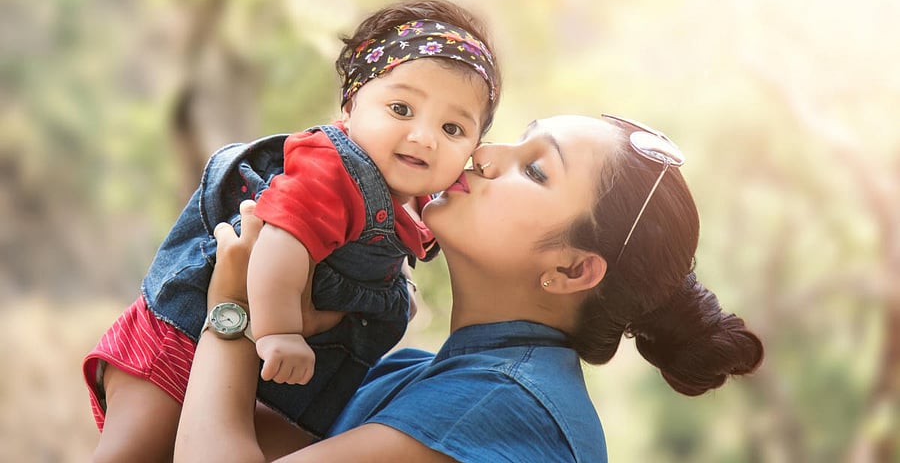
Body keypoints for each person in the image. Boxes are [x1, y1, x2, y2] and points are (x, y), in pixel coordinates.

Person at [174, 114, 765, 462]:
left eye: (535, 170)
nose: (482, 153)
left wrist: (232, 307)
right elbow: (218, 433)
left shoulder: (498, 404)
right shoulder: (416, 376)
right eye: (518, 138)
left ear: (572, 271)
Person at [83, 0, 503, 461]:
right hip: (178, 337)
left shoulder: (421, 205)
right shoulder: (332, 170)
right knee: (130, 451)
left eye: (451, 128)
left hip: (257, 377)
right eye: (401, 109)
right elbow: (279, 244)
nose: (425, 137)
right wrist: (279, 332)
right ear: (351, 103)